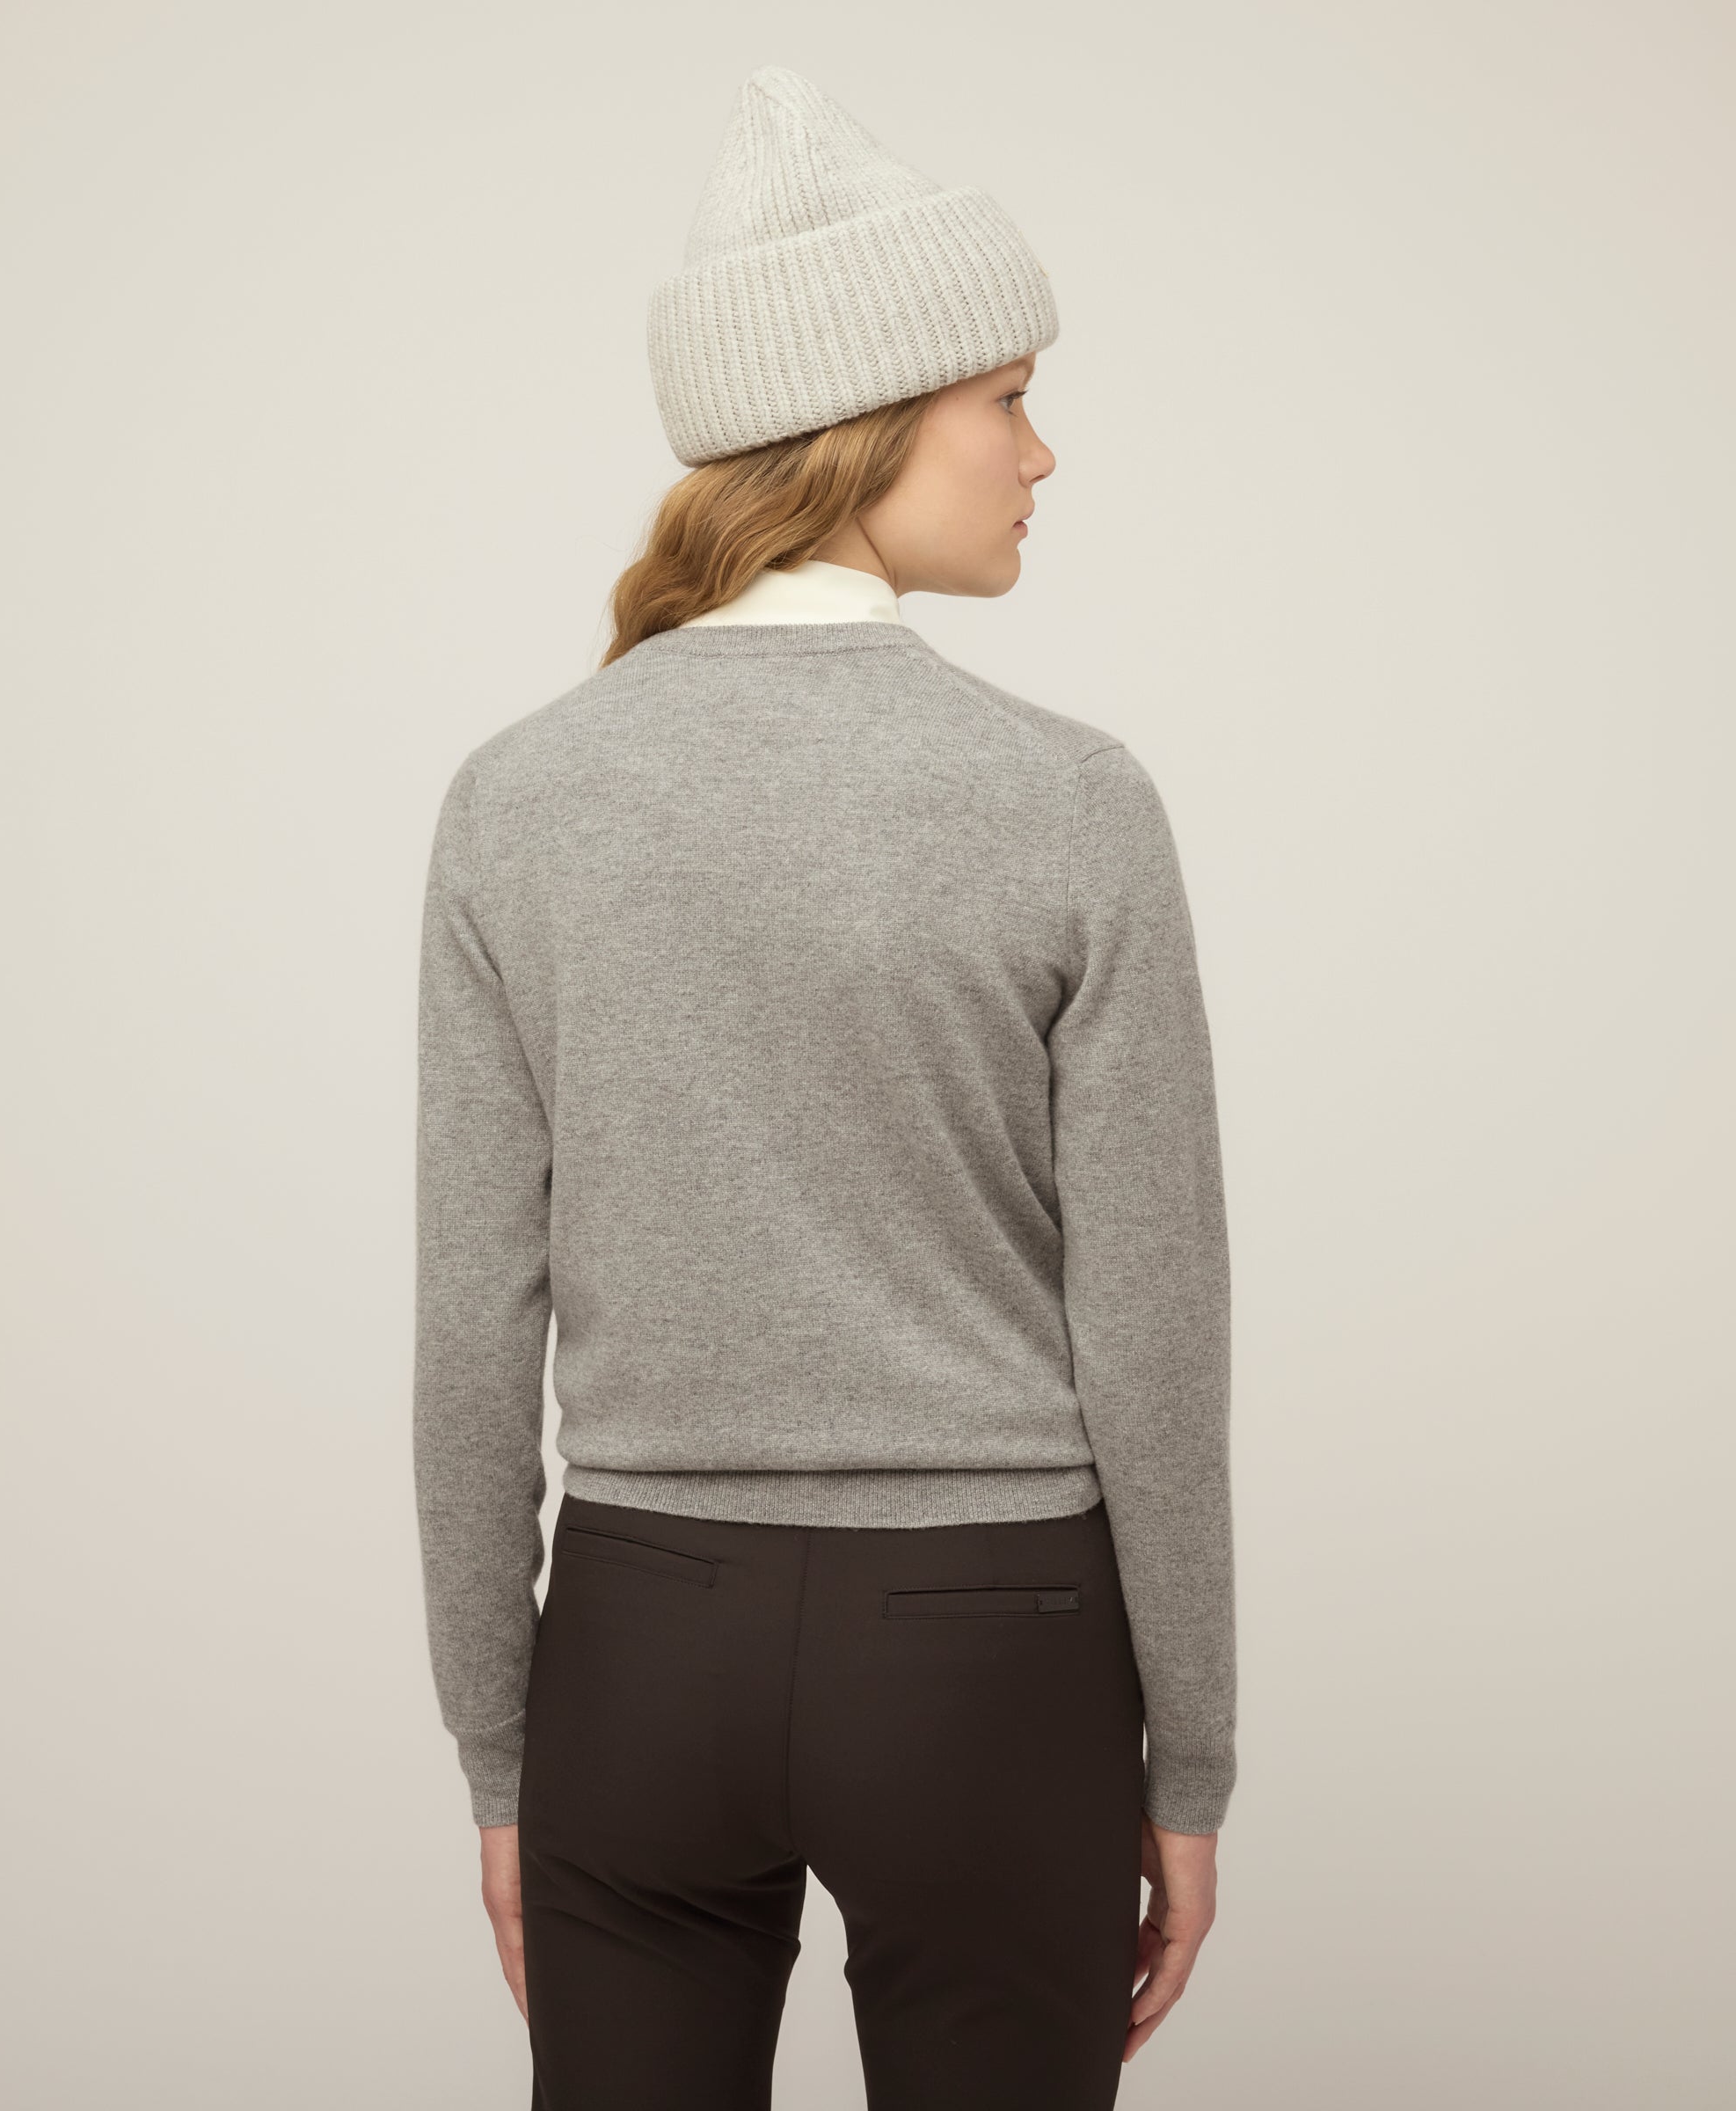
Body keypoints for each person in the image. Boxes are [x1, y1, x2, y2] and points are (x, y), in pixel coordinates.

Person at [413, 63, 1236, 2110]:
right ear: (863, 419)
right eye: (1008, 398)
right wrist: (1191, 1760)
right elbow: (1154, 1333)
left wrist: (505, 1759)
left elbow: (469, 1336)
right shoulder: (1070, 802)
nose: (1043, 452)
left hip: (637, 1651)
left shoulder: (520, 800)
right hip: (994, 1652)